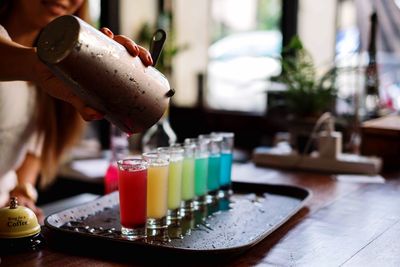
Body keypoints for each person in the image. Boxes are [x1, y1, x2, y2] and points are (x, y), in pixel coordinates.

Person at [0, 0, 153, 222]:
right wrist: (41, 64)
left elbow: (31, 145)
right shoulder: (36, 63)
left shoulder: (50, 76)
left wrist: (21, 191)